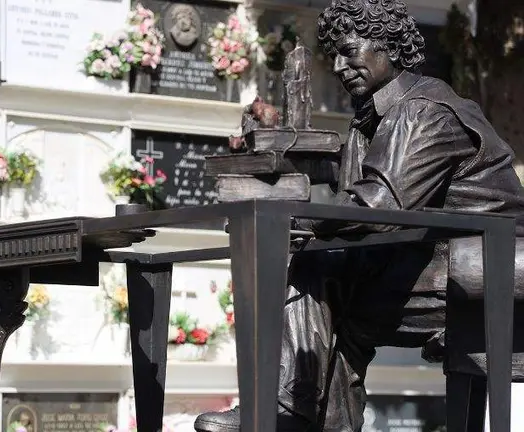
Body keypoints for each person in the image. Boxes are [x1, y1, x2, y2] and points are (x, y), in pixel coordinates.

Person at [194, 0, 524, 430]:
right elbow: (351, 199)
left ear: (389, 46)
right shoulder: (371, 119)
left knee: (320, 272)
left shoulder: (424, 110)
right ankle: (301, 412)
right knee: (333, 291)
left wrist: (291, 219)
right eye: (333, 55)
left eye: (349, 50)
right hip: (437, 259)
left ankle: (289, 411)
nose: (339, 65)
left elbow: (379, 205)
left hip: (485, 266)